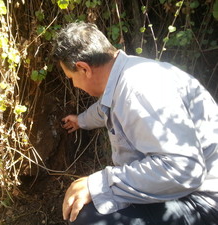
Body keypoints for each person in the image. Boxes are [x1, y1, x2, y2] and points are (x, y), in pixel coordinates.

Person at [52, 22, 218, 225]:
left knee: (88, 219)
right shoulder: (126, 75)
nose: (74, 85)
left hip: (204, 198)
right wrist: (80, 121)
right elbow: (103, 109)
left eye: (71, 77)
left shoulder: (140, 89)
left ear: (83, 68)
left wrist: (100, 183)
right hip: (186, 188)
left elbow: (184, 170)